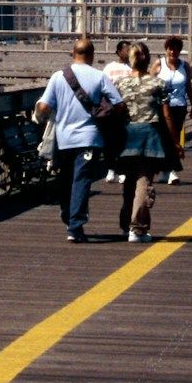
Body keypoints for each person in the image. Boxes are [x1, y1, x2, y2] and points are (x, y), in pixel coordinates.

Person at [34, 36, 123, 242]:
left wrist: (39, 110)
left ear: (73, 54)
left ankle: (68, 215)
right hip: (90, 137)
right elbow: (119, 104)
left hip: (64, 138)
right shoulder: (99, 77)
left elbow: (44, 107)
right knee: (81, 180)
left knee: (66, 179)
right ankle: (75, 226)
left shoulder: (58, 76)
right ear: (92, 55)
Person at [114, 42, 168, 242]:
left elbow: (116, 111)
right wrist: (174, 141)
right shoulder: (157, 84)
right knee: (144, 182)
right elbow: (167, 115)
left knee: (130, 183)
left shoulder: (119, 84)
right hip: (149, 137)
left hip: (127, 137)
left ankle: (125, 224)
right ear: (147, 59)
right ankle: (137, 229)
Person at [156, 36, 190, 184]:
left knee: (173, 138)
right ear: (166, 49)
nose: (172, 52)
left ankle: (168, 171)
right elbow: (150, 83)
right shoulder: (159, 64)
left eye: (176, 49)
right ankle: (169, 171)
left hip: (179, 106)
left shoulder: (185, 66)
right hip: (162, 107)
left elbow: (188, 86)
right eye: (170, 48)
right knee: (166, 138)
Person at [100, 40, 134, 183]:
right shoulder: (109, 68)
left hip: (127, 110)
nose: (128, 53)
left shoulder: (132, 68)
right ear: (119, 52)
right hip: (111, 109)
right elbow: (103, 86)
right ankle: (110, 169)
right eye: (126, 50)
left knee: (124, 141)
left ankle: (122, 170)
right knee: (109, 141)